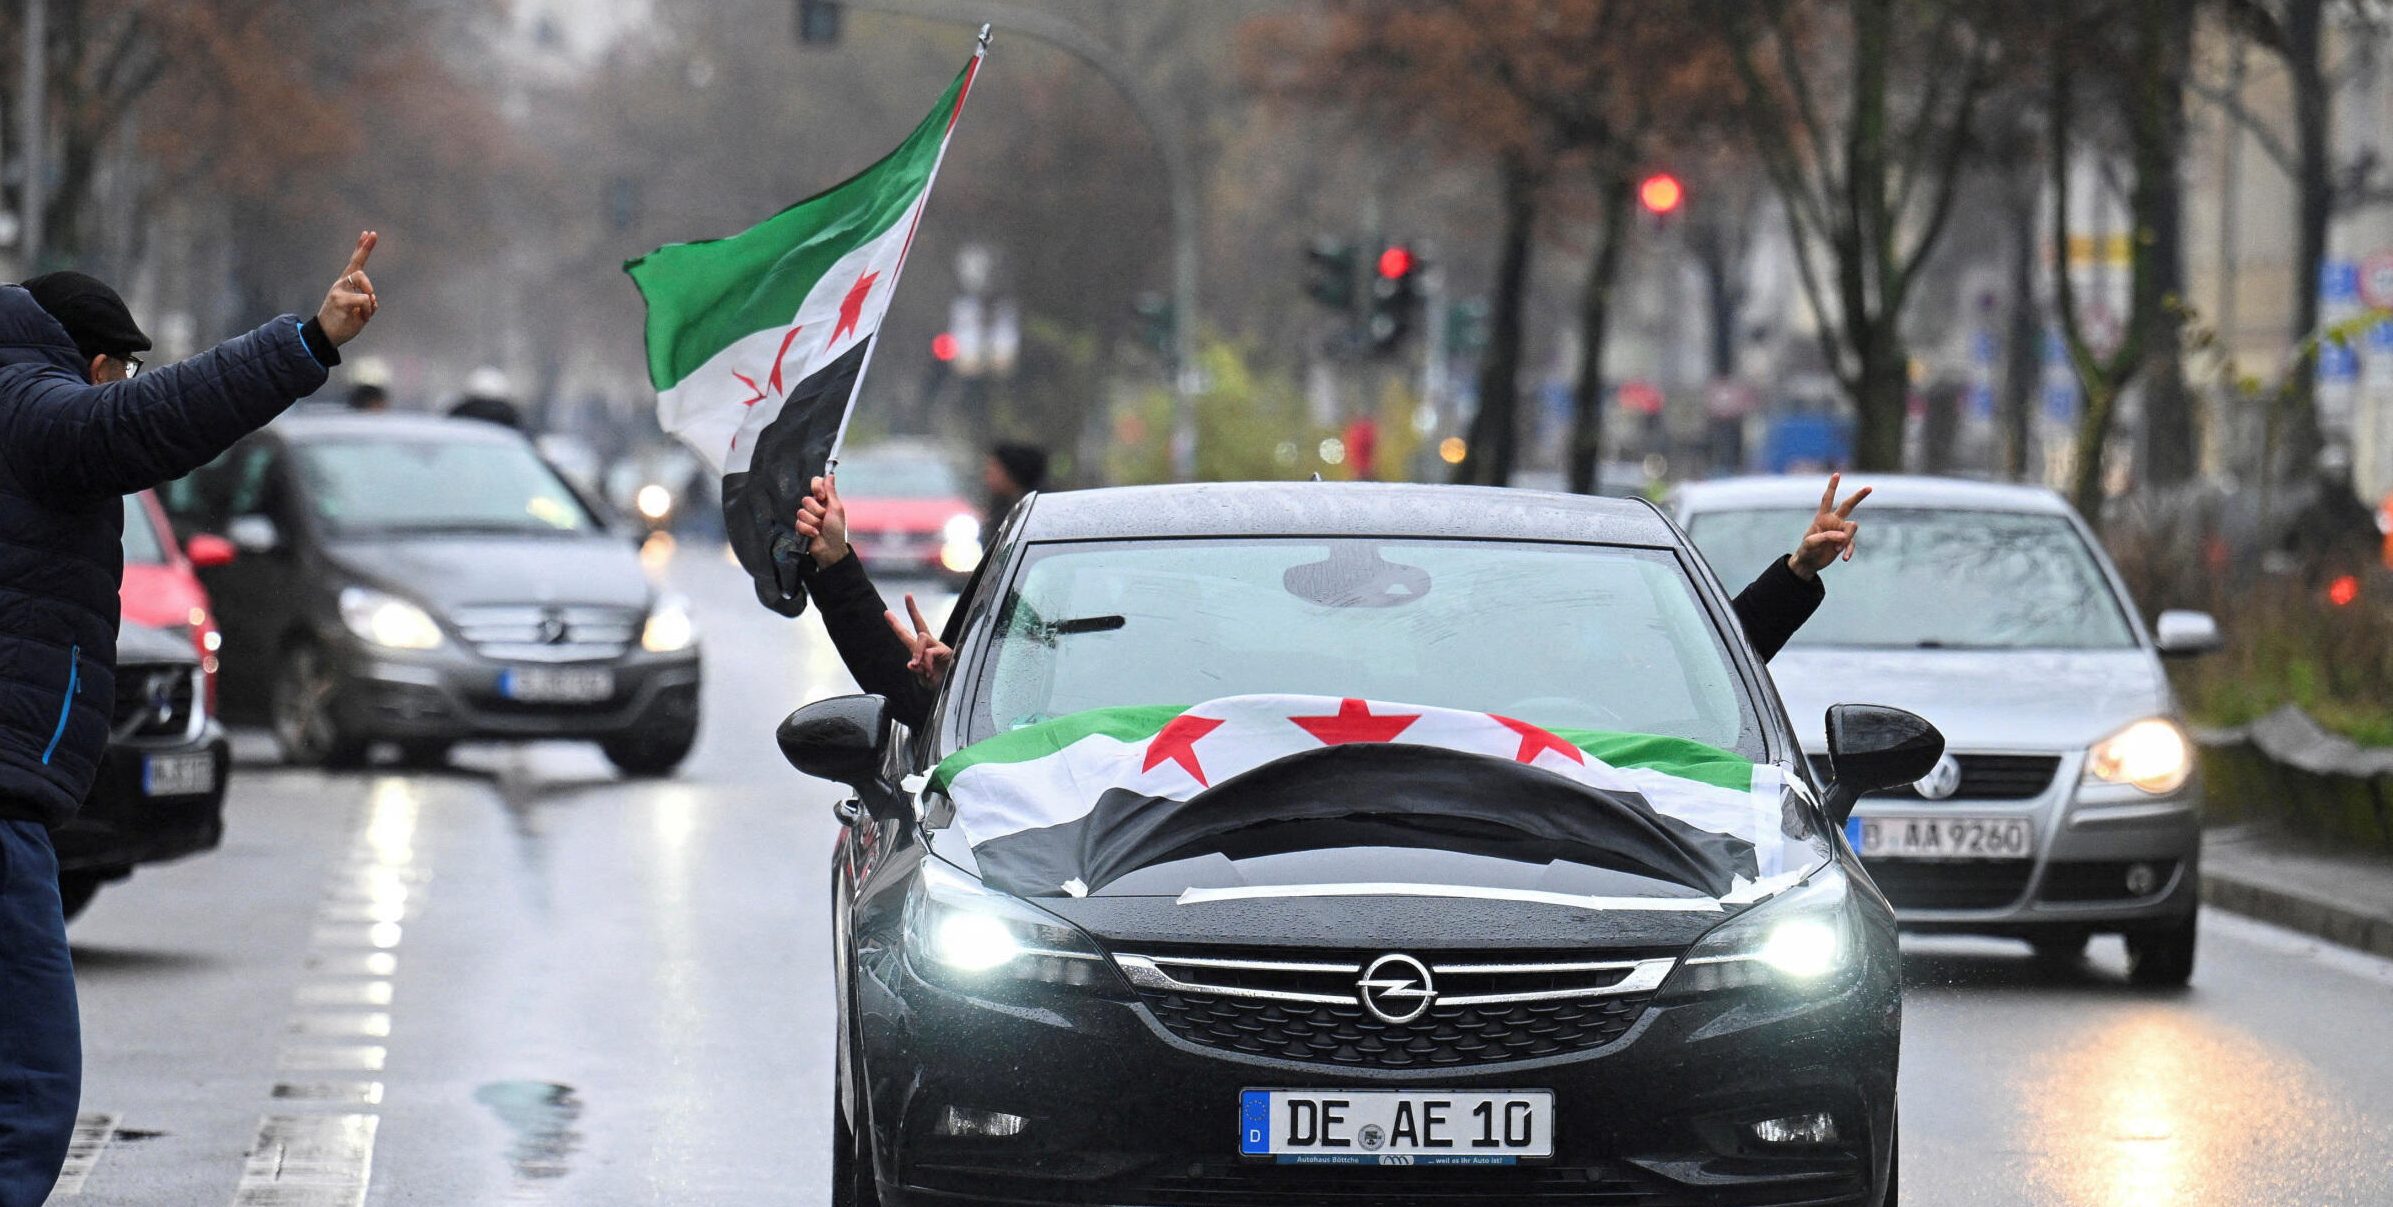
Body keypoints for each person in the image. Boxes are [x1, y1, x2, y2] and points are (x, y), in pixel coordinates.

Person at [0, 234, 382, 1207]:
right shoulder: (36, 409)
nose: (116, 388)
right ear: (88, 359)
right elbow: (160, 424)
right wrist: (308, 341)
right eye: (112, 369)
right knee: (14, 1075)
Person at [795, 472, 1870, 736]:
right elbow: (906, 701)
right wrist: (840, 573)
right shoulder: (1052, 756)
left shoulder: (1547, 723)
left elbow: (1684, 686)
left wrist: (1792, 579)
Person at [980, 440, 1047, 541]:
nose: (987, 474)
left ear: (1010, 471)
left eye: (994, 468)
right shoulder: (997, 508)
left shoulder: (1035, 512)